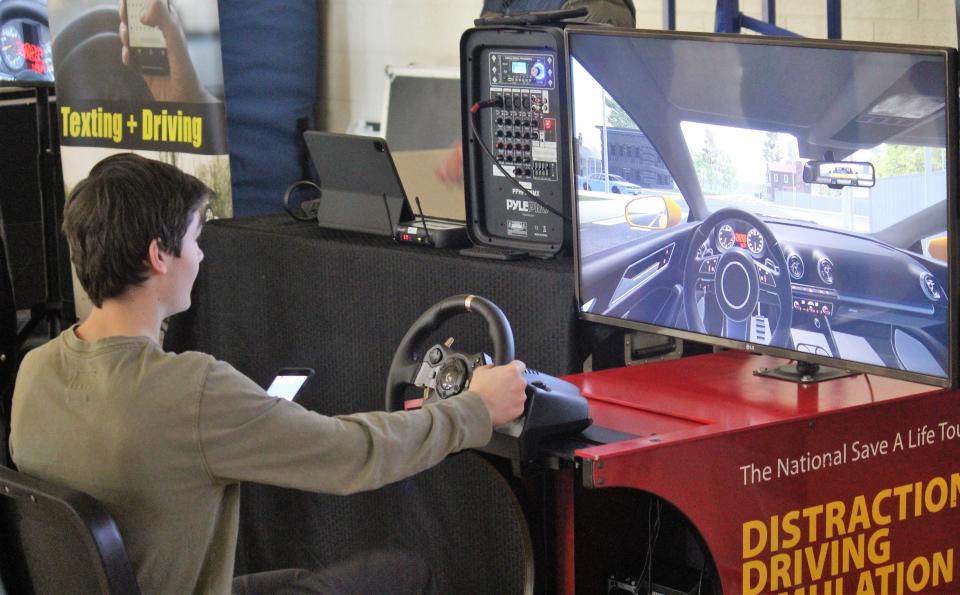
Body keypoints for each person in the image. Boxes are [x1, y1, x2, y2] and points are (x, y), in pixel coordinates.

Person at [8, 153, 528, 594]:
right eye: (194, 239)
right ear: (158, 256)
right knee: (403, 573)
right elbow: (352, 456)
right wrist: (474, 409)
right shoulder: (190, 390)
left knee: (299, 578)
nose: (202, 254)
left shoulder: (35, 369)